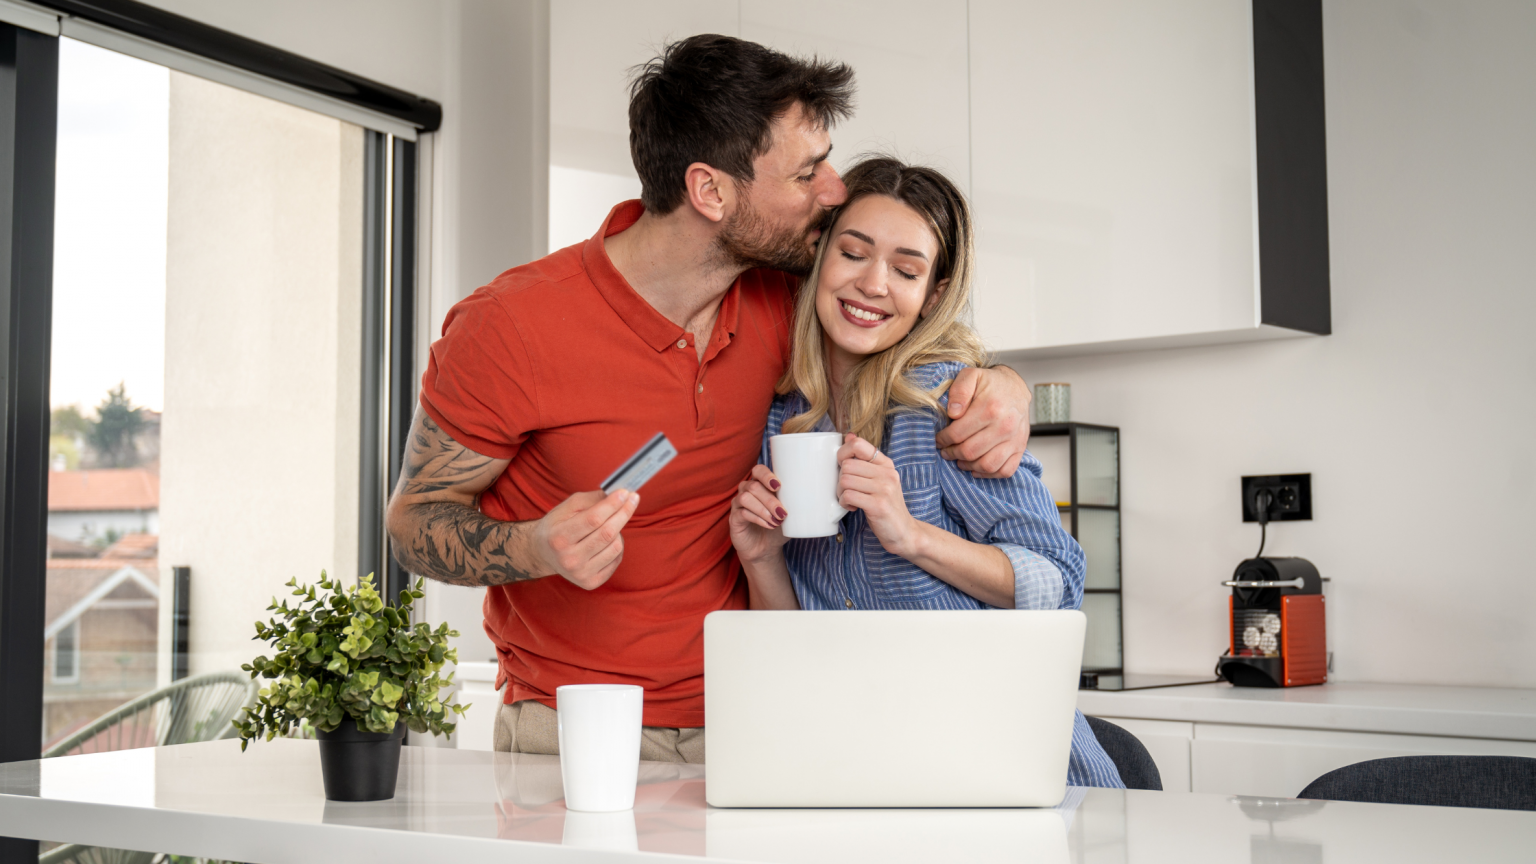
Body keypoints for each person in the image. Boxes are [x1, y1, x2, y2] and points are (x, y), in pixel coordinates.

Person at [385, 35, 1036, 764]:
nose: (834, 191)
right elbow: (413, 525)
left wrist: (1005, 387)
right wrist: (533, 546)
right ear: (711, 192)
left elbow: (907, 319)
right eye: (806, 173)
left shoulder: (782, 293)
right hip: (577, 727)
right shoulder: (510, 326)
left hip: (753, 716)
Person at [728, 157, 1124, 787]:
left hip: (1011, 769)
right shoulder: (783, 422)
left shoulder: (949, 406)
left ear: (931, 295)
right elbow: (792, 656)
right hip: (873, 769)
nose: (873, 284)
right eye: (854, 253)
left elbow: (1058, 583)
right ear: (819, 259)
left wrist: (908, 532)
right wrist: (762, 560)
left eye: (906, 270)